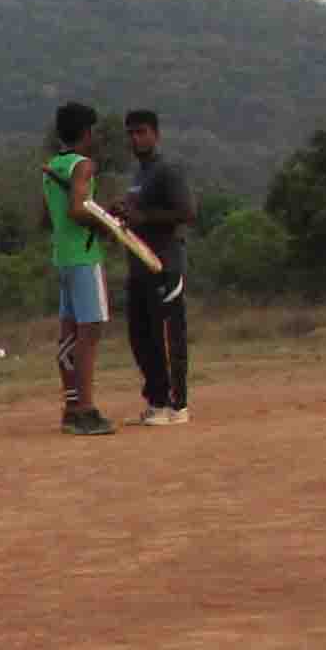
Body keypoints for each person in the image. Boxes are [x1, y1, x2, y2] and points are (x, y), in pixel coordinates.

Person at [38, 103, 122, 436]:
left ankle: (72, 407)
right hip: (85, 258)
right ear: (87, 132)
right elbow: (77, 209)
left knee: (69, 334)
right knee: (90, 333)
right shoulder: (82, 165)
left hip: (63, 257)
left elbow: (49, 216)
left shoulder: (54, 167)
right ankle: (85, 409)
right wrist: (107, 224)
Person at [118, 109, 197, 422]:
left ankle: (177, 406)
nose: (135, 139)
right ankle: (156, 400)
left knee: (167, 337)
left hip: (165, 264)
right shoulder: (139, 175)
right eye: (131, 133)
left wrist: (145, 217)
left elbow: (187, 213)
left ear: (156, 134)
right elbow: (137, 214)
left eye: (141, 132)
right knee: (141, 338)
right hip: (139, 267)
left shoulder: (167, 170)